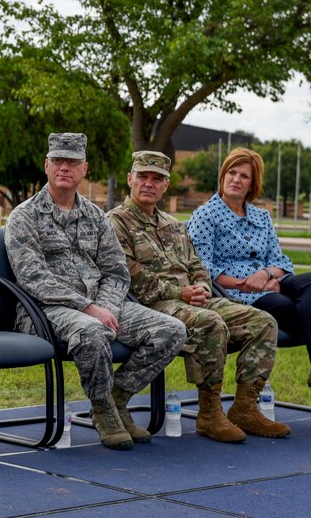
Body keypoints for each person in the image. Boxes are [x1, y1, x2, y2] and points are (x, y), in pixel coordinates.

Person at [5, 133, 187, 450]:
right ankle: (102, 409)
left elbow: (116, 271)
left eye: (72, 162)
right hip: (45, 310)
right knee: (91, 331)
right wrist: (89, 308)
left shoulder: (95, 216)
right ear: (46, 165)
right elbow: (32, 277)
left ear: (84, 169)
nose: (65, 167)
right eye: (58, 161)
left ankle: (116, 397)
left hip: (100, 306)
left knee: (171, 329)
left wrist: (105, 307)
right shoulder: (25, 216)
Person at [186, 147, 311, 433]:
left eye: (244, 176)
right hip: (239, 293)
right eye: (231, 173)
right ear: (223, 176)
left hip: (272, 282)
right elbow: (204, 268)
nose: (236, 179)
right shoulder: (205, 215)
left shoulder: (261, 217)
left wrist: (265, 274)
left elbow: (282, 261)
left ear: (253, 183)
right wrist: (246, 282)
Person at [107, 151, 290, 441]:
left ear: (166, 185)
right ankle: (209, 414)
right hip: (151, 305)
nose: (149, 184)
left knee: (263, 322)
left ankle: (245, 408)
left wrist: (203, 287)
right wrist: (181, 291)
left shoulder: (171, 223)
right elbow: (130, 276)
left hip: (193, 299)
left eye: (157, 179)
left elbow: (197, 264)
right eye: (142, 177)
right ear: (130, 180)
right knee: (210, 323)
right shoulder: (115, 223)